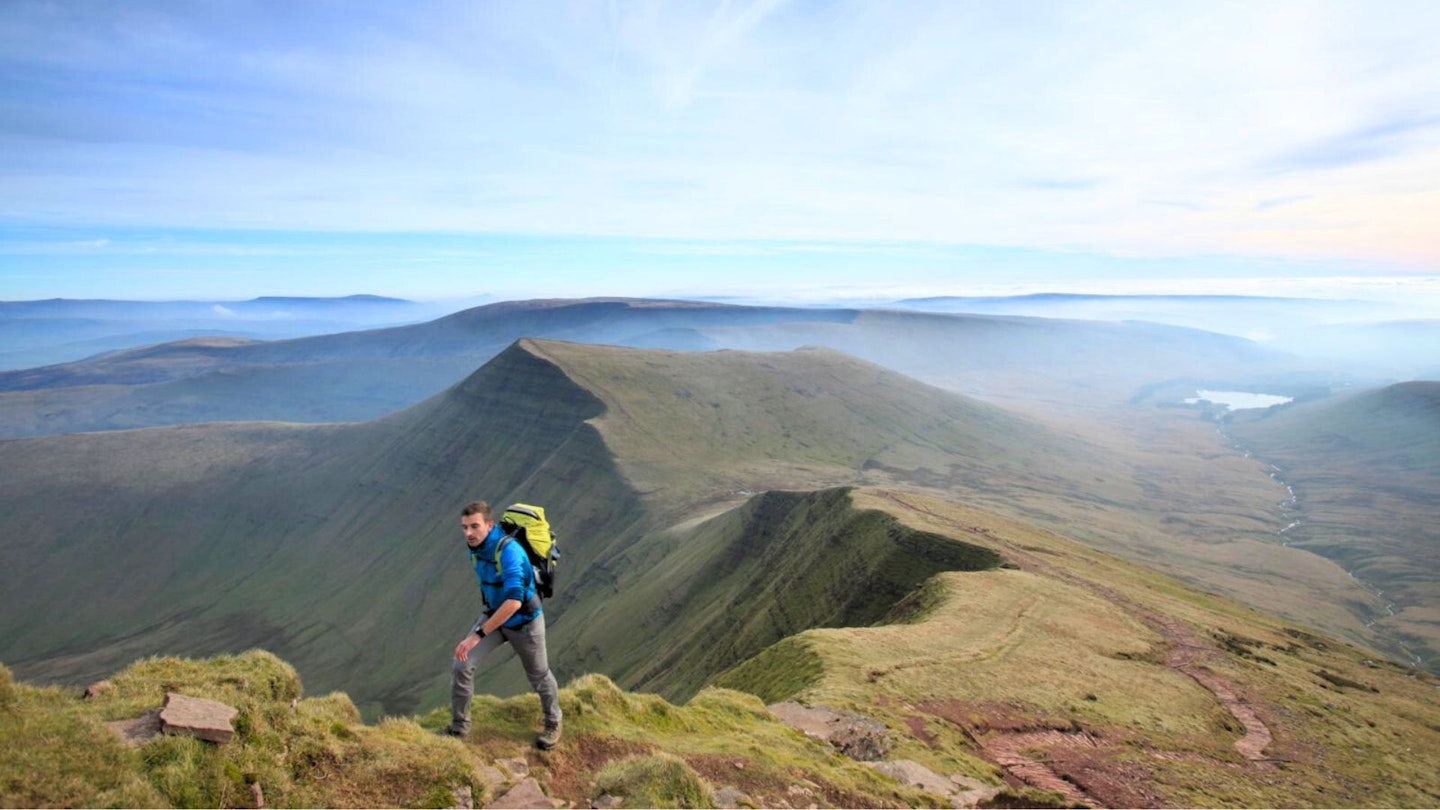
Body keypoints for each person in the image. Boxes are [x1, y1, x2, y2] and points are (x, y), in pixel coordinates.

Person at [446, 500, 562, 749]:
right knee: (461, 665)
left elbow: (514, 602)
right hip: (495, 616)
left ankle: (553, 724)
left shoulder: (509, 552)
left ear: (489, 525)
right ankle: (459, 728)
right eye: (464, 527)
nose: (468, 533)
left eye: (474, 526)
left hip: (525, 623)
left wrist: (477, 634)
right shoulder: (476, 549)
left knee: (539, 676)